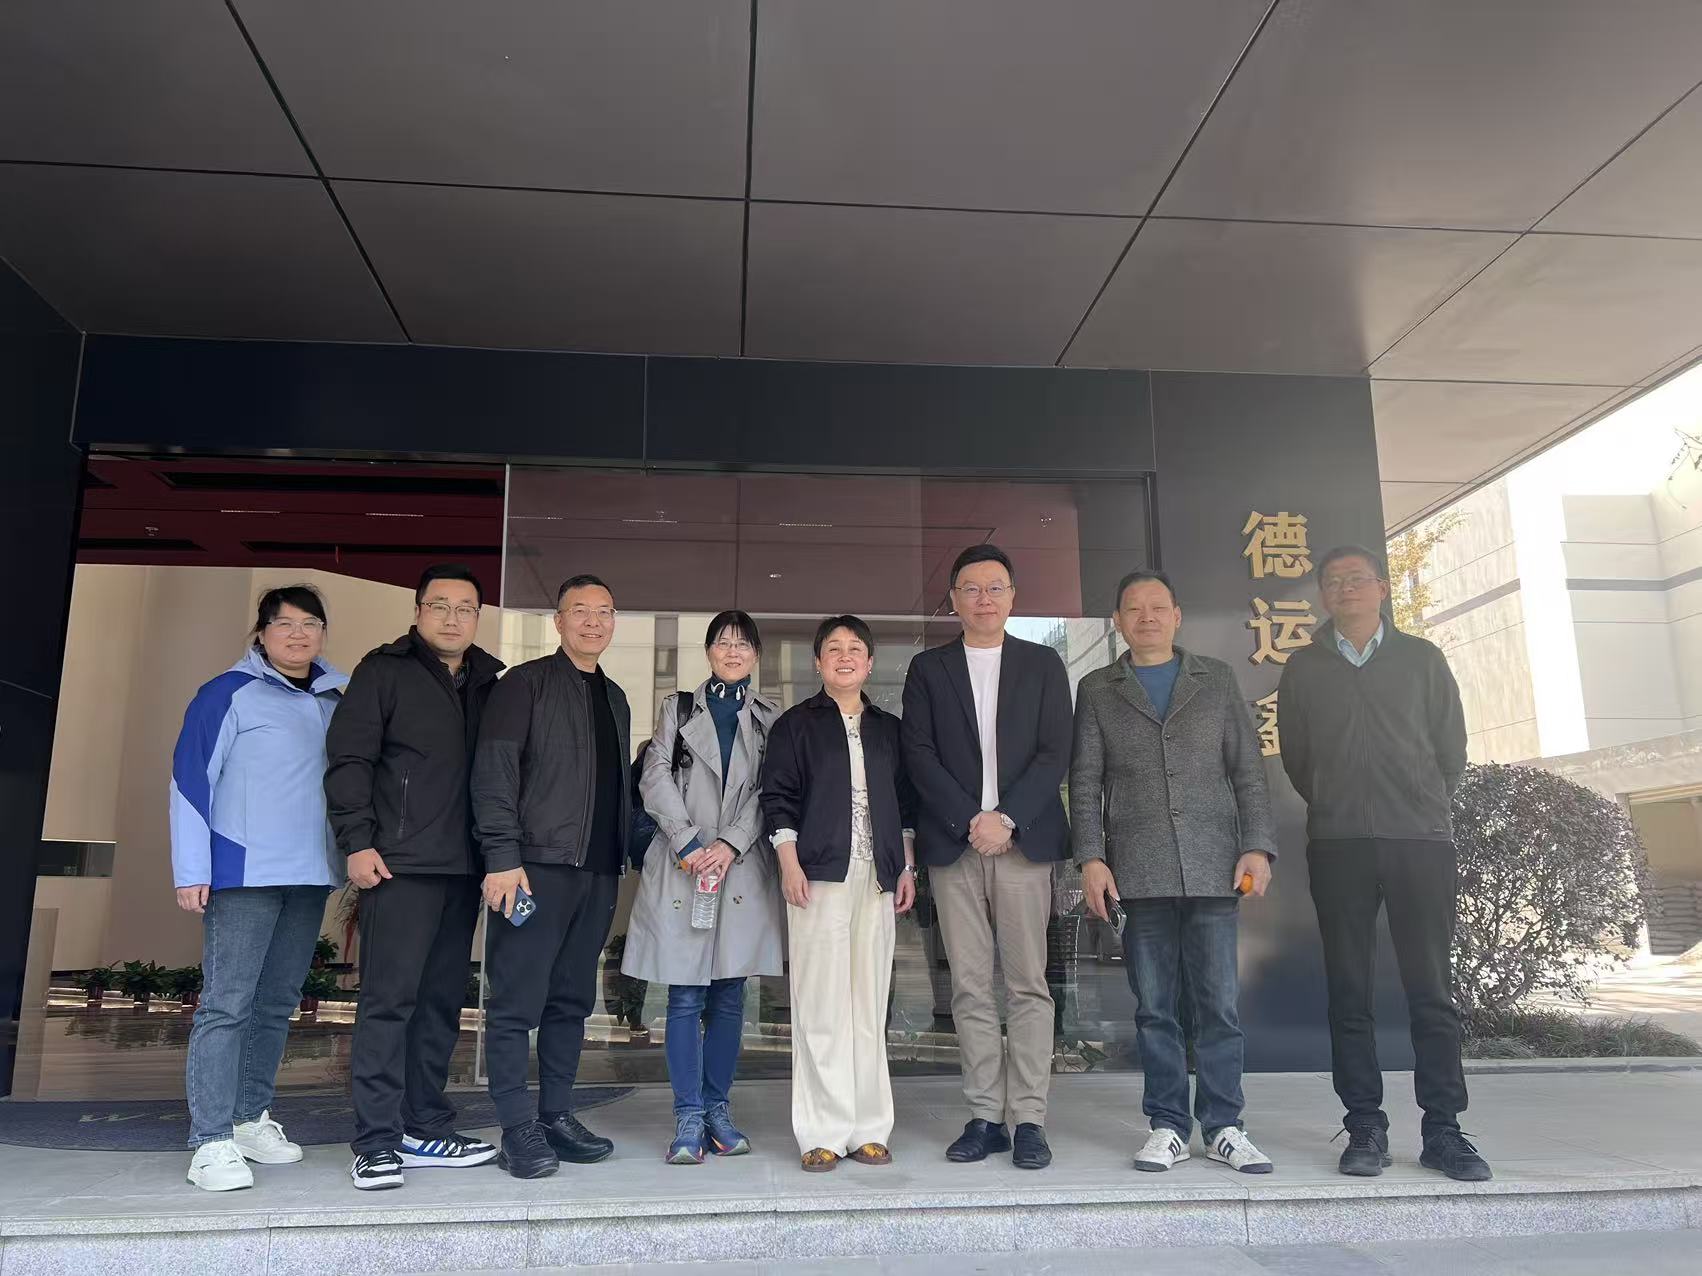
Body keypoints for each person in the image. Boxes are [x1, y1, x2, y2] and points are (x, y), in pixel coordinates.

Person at [1276, 545, 1489, 1182]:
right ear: (1322, 595)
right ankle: (1364, 1123)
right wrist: (1336, 801)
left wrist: (1418, 802)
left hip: (1419, 840)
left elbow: (1451, 748)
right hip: (1339, 843)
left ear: (1382, 588)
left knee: (1432, 990)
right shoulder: (1304, 667)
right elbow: (1297, 757)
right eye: (1334, 581)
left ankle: (1443, 1129)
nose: (1346, 589)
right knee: (1349, 990)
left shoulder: (1421, 658)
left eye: (1357, 579)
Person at [1071, 569, 1278, 1175]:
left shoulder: (1216, 679)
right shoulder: (1097, 688)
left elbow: (1248, 770)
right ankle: (1167, 1125)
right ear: (1117, 621)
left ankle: (1224, 1125)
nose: (1147, 617)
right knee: (1154, 1007)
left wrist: (1257, 846)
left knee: (1218, 1005)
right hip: (1138, 868)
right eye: (1133, 608)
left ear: (1177, 615)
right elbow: (1084, 780)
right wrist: (1091, 858)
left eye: (1157, 607)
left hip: (1214, 864)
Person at [324, 564, 505, 1190]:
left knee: (440, 1005)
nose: (452, 618)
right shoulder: (384, 670)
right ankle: (376, 1141)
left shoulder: (490, 680)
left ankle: (424, 1125)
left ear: (477, 617)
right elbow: (349, 759)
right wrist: (357, 842)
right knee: (388, 1002)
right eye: (440, 605)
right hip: (398, 865)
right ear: (419, 610)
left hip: (465, 868)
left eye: (465, 608)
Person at [169, 585, 348, 1192]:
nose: (298, 635)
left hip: (309, 872)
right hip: (243, 872)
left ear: (322, 633)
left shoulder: (336, 698)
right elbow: (190, 779)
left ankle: (249, 1119)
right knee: (227, 1004)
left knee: (276, 1002)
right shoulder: (226, 693)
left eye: (310, 624)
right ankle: (209, 1140)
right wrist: (192, 869)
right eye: (284, 624)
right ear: (262, 632)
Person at [900, 544, 1071, 1171]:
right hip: (956, 844)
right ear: (953, 599)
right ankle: (985, 1116)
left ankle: (1029, 1117)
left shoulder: (1043, 663)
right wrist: (970, 820)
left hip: (1023, 844)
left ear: (1013, 597)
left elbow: (1056, 751)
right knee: (969, 986)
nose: (983, 598)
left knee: (1028, 984)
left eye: (995, 587)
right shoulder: (929, 668)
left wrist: (1008, 818)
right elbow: (918, 753)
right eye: (970, 588)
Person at [471, 574, 631, 1179]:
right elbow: (495, 772)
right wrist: (502, 857)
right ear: (558, 622)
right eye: (580, 611)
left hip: (596, 873)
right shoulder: (524, 684)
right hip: (532, 869)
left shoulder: (615, 697)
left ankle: (557, 1116)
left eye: (604, 612)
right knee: (515, 1002)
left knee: (571, 1001)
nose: (593, 622)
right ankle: (518, 1129)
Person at [622, 611, 781, 1164]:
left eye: (743, 644)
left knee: (730, 994)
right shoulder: (679, 707)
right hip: (683, 864)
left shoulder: (769, 717)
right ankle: (688, 1113)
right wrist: (688, 842)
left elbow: (771, 788)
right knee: (685, 994)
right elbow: (654, 776)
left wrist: (731, 843)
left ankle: (717, 1108)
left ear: (755, 654)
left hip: (739, 865)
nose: (733, 651)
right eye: (723, 642)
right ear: (709, 651)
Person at [760, 615, 917, 1172]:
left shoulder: (889, 729)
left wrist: (906, 866)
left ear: (869, 663)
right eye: (834, 648)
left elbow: (905, 804)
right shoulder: (795, 726)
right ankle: (822, 1130)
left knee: (868, 1003)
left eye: (855, 649)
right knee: (821, 1003)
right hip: (818, 874)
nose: (845, 657)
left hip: (877, 876)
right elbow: (777, 798)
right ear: (818, 663)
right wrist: (788, 863)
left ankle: (869, 1127)